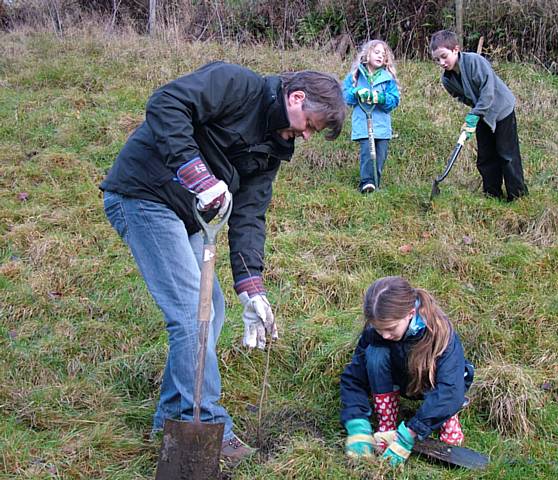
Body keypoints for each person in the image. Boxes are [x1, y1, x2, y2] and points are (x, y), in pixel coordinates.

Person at [100, 61, 345, 463]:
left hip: (189, 216)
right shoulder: (236, 85)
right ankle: (210, 424)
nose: (304, 134)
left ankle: (171, 421)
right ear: (296, 98)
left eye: (311, 133)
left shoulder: (273, 149)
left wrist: (253, 289)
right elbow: (166, 103)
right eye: (309, 125)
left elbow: (249, 216)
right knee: (189, 315)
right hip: (143, 194)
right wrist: (197, 175)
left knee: (211, 311)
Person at [340, 276, 474, 466]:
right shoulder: (376, 331)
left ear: (410, 313)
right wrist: (357, 424)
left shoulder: (441, 334)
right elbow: (353, 378)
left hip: (436, 385)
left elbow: (450, 390)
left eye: (390, 328)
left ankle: (447, 418)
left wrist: (410, 432)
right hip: (402, 380)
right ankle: (387, 422)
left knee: (440, 379)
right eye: (379, 329)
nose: (384, 335)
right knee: (375, 354)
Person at [430, 30, 528, 201]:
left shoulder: (475, 62)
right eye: (437, 59)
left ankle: (517, 196)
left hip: (501, 109)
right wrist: (474, 115)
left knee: (507, 155)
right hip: (482, 113)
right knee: (485, 156)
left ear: (456, 49)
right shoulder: (447, 79)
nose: (442, 62)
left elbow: (488, 92)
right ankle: (492, 194)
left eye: (444, 56)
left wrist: (475, 114)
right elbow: (461, 96)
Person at [342, 40, 400, 193]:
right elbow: (345, 96)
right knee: (368, 153)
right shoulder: (355, 76)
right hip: (363, 124)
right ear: (367, 54)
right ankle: (366, 183)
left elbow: (394, 101)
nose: (380, 56)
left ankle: (375, 183)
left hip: (382, 126)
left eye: (383, 54)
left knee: (379, 157)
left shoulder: (388, 79)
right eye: (376, 52)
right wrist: (356, 92)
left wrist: (380, 98)